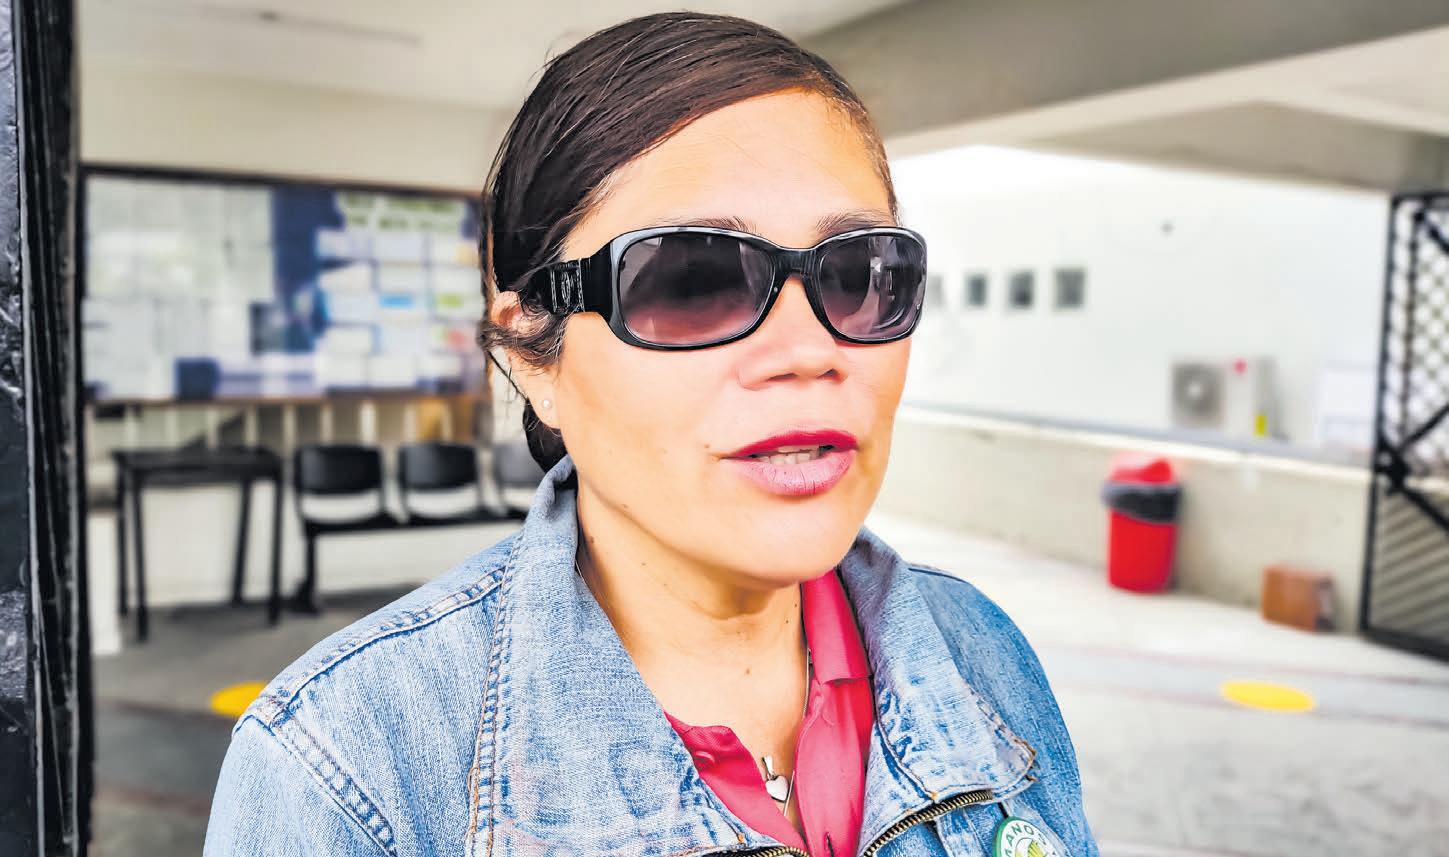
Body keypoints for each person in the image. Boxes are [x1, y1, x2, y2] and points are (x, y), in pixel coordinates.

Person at [204, 12, 1098, 857]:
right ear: (532, 354)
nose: (808, 350)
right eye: (690, 279)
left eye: (860, 270)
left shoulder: (978, 647)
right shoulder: (345, 766)